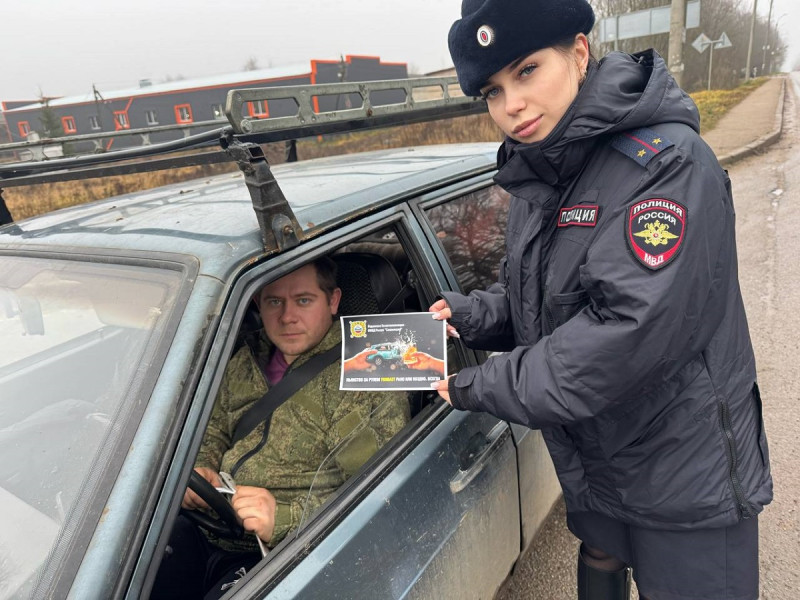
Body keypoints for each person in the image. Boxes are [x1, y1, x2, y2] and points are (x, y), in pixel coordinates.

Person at [431, 1, 772, 599]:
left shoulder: (664, 165)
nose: (512, 105)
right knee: (601, 570)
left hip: (683, 470)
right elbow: (544, 297)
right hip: (600, 460)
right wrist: (470, 317)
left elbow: (628, 333)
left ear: (579, 52)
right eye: (492, 91)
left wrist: (480, 385)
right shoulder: (541, 174)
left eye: (527, 70)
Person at [153, 258, 410, 599]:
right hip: (209, 524)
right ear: (257, 303)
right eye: (274, 301)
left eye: (303, 300)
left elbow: (381, 492)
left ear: (333, 301)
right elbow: (212, 430)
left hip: (289, 553)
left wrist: (285, 518)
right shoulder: (244, 359)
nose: (287, 316)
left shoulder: (369, 370)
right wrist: (203, 467)